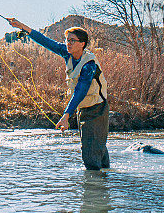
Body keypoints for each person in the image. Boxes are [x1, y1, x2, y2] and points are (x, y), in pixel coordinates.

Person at [7, 18, 110, 170]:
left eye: (72, 41)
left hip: (97, 109)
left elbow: (80, 91)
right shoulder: (67, 53)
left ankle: (94, 187)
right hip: (83, 109)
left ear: (82, 44)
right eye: (67, 40)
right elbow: (46, 42)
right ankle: (107, 177)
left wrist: (66, 115)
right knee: (96, 145)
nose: (68, 43)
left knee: (90, 152)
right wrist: (23, 26)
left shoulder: (89, 64)